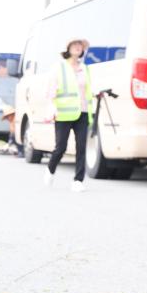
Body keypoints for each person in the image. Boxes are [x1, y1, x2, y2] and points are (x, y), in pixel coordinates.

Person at [43, 39, 94, 192]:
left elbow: (87, 91)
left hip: (83, 112)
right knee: (61, 148)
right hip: (63, 113)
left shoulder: (85, 68)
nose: (78, 47)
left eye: (81, 46)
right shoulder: (59, 67)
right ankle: (50, 169)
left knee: (81, 147)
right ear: (68, 49)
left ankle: (78, 181)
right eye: (75, 45)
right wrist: (52, 106)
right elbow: (51, 90)